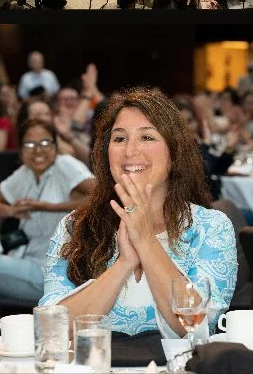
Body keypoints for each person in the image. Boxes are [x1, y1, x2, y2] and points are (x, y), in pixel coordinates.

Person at [40, 87, 237, 338]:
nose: (130, 151)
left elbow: (196, 327)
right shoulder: (75, 227)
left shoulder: (210, 227)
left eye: (147, 137)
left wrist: (145, 241)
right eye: (119, 139)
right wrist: (124, 264)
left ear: (174, 153)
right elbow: (51, 331)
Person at [0, 118, 96, 305]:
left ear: (55, 145)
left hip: (56, 272)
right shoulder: (24, 173)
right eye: (30, 144)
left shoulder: (65, 165)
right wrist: (11, 211)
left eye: (45, 142)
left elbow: (100, 196)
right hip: (27, 260)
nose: (38, 150)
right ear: (20, 150)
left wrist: (47, 207)